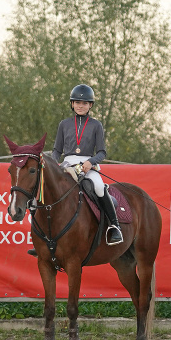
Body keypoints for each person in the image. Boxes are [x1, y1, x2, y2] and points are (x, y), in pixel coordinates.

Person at [52, 83, 123, 246]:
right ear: (72, 104)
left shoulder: (96, 125)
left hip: (88, 164)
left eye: (84, 103)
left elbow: (102, 152)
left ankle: (114, 226)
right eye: (77, 102)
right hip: (68, 163)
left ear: (90, 105)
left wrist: (90, 162)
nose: (80, 106)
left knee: (99, 187)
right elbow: (57, 150)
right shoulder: (64, 124)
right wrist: (53, 163)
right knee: (50, 187)